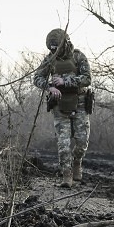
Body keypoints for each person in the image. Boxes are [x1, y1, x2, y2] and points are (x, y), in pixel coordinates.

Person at [32, 28, 93, 188]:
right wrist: (49, 87)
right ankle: (67, 175)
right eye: (51, 49)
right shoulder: (50, 60)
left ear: (64, 43)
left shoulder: (78, 56)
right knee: (63, 143)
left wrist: (66, 82)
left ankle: (77, 163)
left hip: (80, 103)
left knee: (81, 141)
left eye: (56, 48)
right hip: (59, 104)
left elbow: (87, 79)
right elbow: (37, 77)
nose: (54, 52)